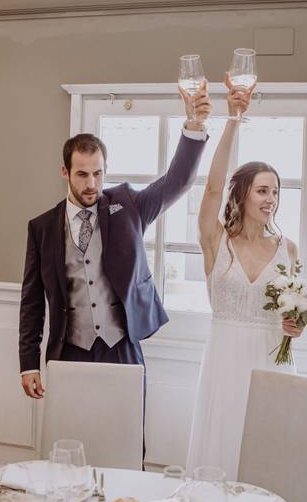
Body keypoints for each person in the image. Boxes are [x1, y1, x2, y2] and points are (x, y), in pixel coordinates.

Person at [19, 87, 212, 399]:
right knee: (72, 434)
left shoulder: (128, 207)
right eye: (82, 174)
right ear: (64, 172)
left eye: (98, 173)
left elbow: (177, 181)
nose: (92, 184)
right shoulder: (41, 228)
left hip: (121, 347)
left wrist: (194, 127)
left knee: (127, 438)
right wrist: (28, 364)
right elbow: (31, 303)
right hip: (70, 351)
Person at [184, 75, 303, 479]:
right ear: (243, 194)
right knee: (221, 455)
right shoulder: (216, 240)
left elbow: (295, 318)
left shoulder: (288, 249)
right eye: (261, 190)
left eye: (275, 191)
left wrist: (294, 327)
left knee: (268, 457)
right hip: (225, 362)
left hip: (271, 361)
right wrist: (234, 118)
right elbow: (213, 187)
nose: (270, 199)